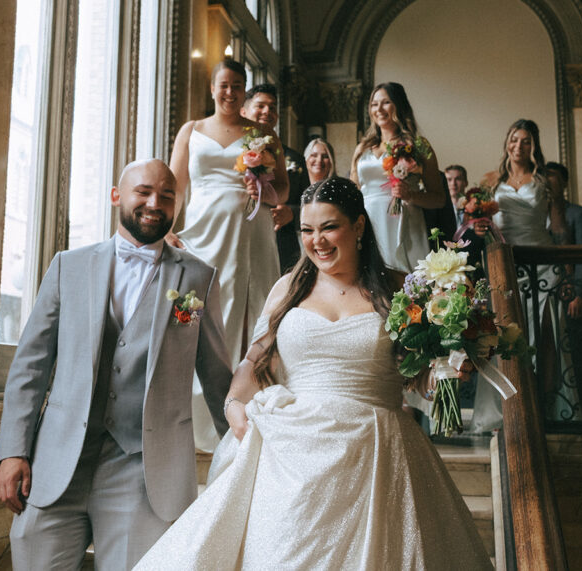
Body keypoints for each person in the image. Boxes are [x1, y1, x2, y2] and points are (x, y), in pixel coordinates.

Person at [134, 177, 492, 570]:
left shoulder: (398, 289)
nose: (316, 240)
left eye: (328, 227)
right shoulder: (289, 288)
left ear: (358, 227)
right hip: (292, 449)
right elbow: (255, 362)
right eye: (306, 230)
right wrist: (235, 402)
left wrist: (450, 369)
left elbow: (417, 375)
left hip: (374, 447)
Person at [0, 159, 233, 570]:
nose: (154, 203)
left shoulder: (198, 279)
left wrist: (240, 451)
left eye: (166, 196)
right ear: (116, 196)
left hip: (143, 473)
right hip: (55, 465)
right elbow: (30, 367)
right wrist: (13, 451)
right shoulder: (67, 267)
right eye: (143, 191)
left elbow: (217, 379)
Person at [167, 59, 289, 451]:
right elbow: (177, 186)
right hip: (204, 233)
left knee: (249, 311)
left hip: (248, 233)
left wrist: (264, 192)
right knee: (199, 312)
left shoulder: (263, 133)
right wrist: (167, 229)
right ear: (213, 87)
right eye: (224, 84)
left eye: (238, 85)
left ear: (244, 90)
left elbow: (283, 190)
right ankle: (193, 416)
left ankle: (246, 409)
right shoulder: (192, 130)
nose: (230, 92)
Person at [473, 119, 571, 430]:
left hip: (543, 264)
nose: (519, 146)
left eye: (526, 141)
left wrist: (567, 271)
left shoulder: (546, 181)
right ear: (506, 143)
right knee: (505, 336)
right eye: (514, 140)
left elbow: (557, 227)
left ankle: (545, 404)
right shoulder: (489, 181)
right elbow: (482, 224)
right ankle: (511, 405)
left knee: (545, 335)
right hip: (505, 266)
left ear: (534, 146)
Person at [350, 82, 447, 273]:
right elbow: (354, 193)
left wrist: (410, 195)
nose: (379, 109)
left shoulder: (418, 145)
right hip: (370, 220)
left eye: (385, 102)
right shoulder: (362, 148)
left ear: (399, 105)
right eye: (374, 104)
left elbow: (439, 198)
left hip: (405, 221)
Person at [545, 160, 582, 421]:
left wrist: (580, 293)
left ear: (564, 182)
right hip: (545, 295)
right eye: (543, 176)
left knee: (578, 355)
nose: (547, 180)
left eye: (553, 176)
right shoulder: (538, 215)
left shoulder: (580, 214)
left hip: (571, 298)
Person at [242, 83, 309, 274]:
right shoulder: (232, 154)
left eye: (272, 108)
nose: (267, 112)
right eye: (260, 106)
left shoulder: (294, 158)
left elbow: (309, 204)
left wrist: (292, 213)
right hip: (243, 237)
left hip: (282, 245)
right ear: (244, 111)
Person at [445, 164, 469, 228]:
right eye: (449, 180)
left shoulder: (476, 206)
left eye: (458, 179)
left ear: (466, 182)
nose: (453, 183)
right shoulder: (440, 208)